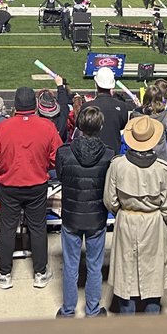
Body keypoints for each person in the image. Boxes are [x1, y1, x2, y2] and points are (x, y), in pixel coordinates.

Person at [0, 86, 62, 289]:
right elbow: (57, 157)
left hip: (10, 186)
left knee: (8, 229)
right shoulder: (46, 127)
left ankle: (5, 274)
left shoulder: (4, 127)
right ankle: (40, 272)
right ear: (35, 105)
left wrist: (6, 169)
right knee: (38, 228)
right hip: (37, 185)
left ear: (15, 105)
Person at [105, 115, 167, 314]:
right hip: (153, 223)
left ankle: (129, 328)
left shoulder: (118, 166)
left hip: (127, 221)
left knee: (125, 275)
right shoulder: (162, 170)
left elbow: (110, 200)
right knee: (152, 277)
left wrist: (125, 212)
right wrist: (155, 216)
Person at [55, 106, 114, 318]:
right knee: (93, 266)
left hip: (73, 216)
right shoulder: (108, 155)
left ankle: (69, 310)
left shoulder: (64, 152)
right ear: (99, 126)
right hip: (95, 218)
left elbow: (61, 177)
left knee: (71, 266)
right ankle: (92, 310)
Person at [83, 68, 130, 154]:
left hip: (92, 152)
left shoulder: (87, 107)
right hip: (113, 153)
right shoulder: (122, 106)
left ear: (96, 84)